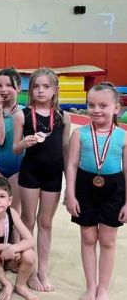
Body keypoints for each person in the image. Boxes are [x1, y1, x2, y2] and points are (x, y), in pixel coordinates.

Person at [65, 83, 127, 300]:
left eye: (103, 105)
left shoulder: (123, 136)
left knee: (108, 241)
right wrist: (70, 194)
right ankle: (91, 286)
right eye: (91, 105)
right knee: (88, 237)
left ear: (116, 108)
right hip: (85, 187)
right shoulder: (79, 134)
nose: (96, 110)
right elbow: (71, 165)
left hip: (114, 189)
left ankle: (103, 288)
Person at [12, 68, 70, 292]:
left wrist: (69, 185)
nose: (40, 91)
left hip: (54, 175)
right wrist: (23, 143)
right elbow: (15, 149)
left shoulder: (63, 117)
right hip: (30, 173)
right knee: (28, 221)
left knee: (46, 223)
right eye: (36, 86)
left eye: (46, 86)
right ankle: (30, 269)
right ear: (30, 90)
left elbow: (66, 151)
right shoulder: (22, 115)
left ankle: (43, 270)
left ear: (55, 90)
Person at [0, 68, 24, 210]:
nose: (3, 89)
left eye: (9, 85)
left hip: (18, 167)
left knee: (14, 210)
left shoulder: (25, 112)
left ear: (19, 88)